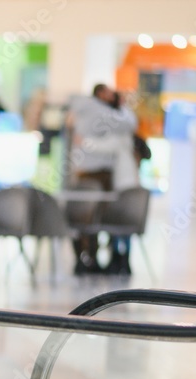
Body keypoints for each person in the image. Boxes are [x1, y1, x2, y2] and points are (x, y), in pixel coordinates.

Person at [68, 84, 138, 275]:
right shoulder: (100, 112)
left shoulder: (83, 111)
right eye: (109, 93)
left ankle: (101, 260)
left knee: (93, 220)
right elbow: (127, 125)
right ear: (100, 94)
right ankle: (99, 260)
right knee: (98, 220)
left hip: (94, 175)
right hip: (99, 175)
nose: (113, 97)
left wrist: (85, 142)